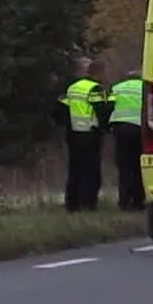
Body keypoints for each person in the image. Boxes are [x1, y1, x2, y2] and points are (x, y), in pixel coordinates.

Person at [58, 59, 108, 212]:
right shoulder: (95, 89)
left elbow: (60, 110)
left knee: (75, 170)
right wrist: (105, 129)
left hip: (73, 135)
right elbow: (102, 111)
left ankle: (72, 204)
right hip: (90, 135)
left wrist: (68, 125)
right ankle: (88, 204)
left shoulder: (72, 88)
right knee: (91, 172)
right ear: (97, 73)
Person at [107, 68, 146, 211]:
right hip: (140, 130)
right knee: (138, 166)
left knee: (124, 166)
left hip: (121, 130)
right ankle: (138, 201)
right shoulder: (145, 87)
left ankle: (124, 201)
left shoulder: (117, 88)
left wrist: (107, 127)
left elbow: (109, 107)